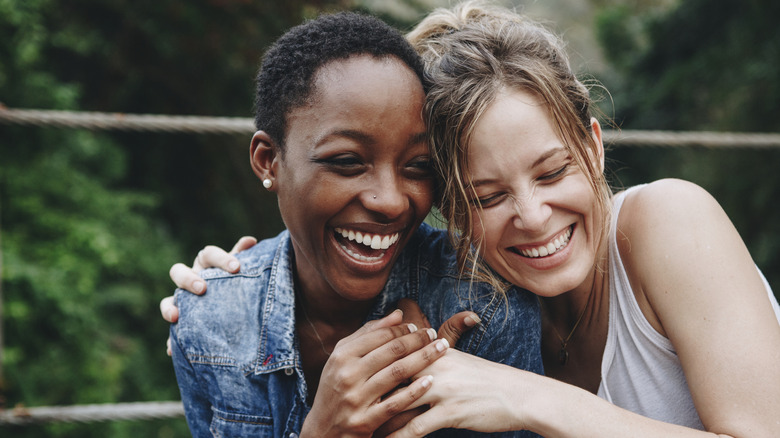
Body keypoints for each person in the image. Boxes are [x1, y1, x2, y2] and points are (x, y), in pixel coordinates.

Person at [168, 2, 780, 437]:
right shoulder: (477, 303)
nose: (535, 218)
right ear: (449, 208)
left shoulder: (669, 222)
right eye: (487, 197)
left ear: (593, 145)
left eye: (551, 172)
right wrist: (241, 284)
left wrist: (527, 397)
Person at [166, 10, 542, 438]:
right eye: (347, 162)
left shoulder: (485, 306)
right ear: (268, 161)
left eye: (418, 166)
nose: (391, 201)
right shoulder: (208, 322)